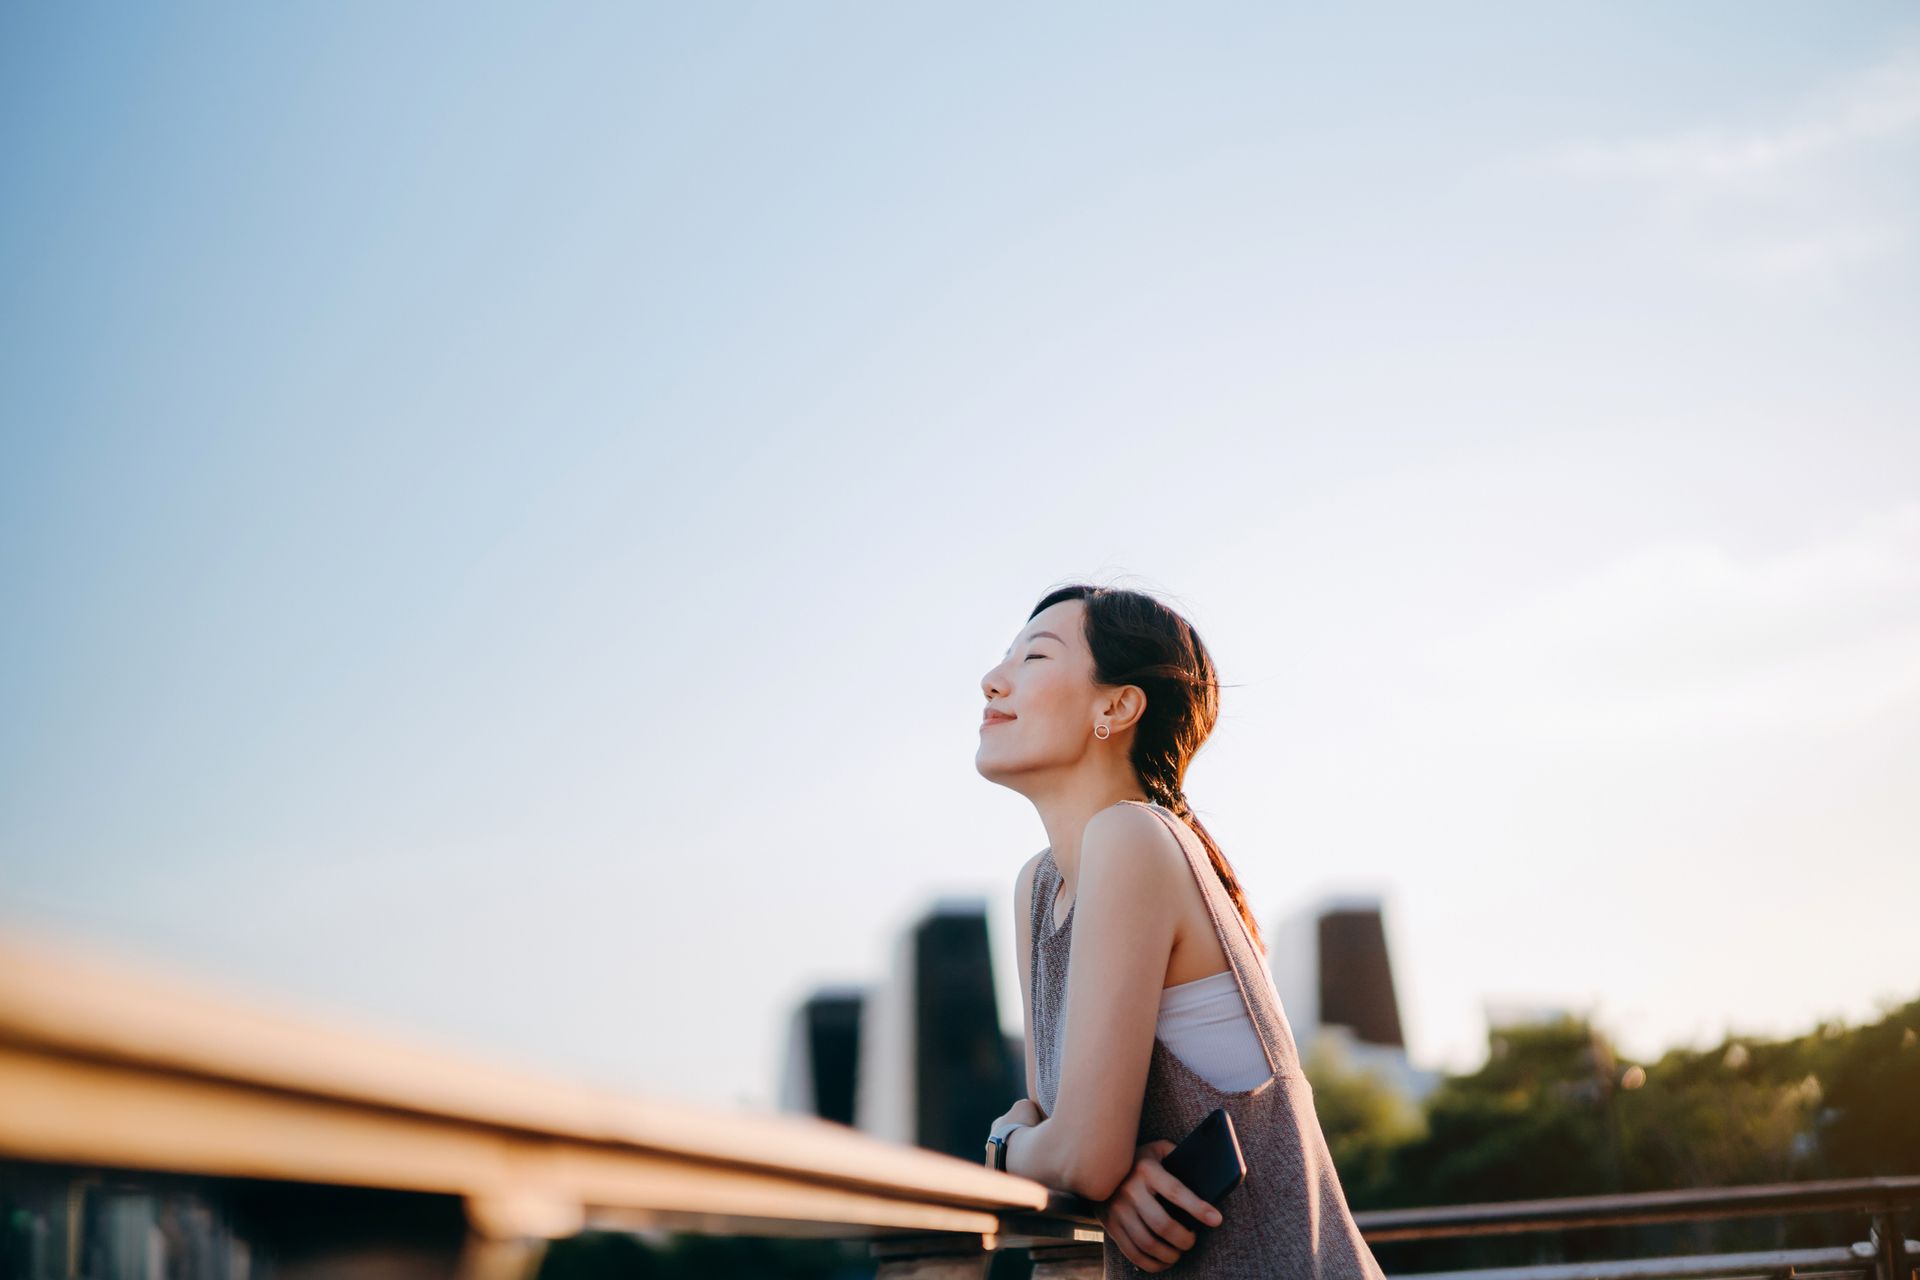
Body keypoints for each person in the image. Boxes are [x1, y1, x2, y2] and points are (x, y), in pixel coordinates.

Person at [976, 583, 1387, 1277]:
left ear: (1116, 706)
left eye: (1034, 657)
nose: (993, 681)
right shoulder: (1039, 888)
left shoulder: (1133, 836)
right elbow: (1068, 1138)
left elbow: (1072, 1151)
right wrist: (1103, 1175)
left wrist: (1001, 1143)